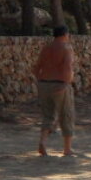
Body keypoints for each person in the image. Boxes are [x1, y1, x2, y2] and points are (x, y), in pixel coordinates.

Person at [33, 25, 76, 157]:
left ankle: (43, 142)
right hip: (60, 84)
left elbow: (36, 67)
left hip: (44, 84)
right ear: (64, 35)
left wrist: (40, 80)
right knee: (66, 115)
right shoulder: (66, 48)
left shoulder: (46, 48)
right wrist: (66, 83)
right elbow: (68, 67)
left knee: (47, 115)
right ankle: (67, 149)